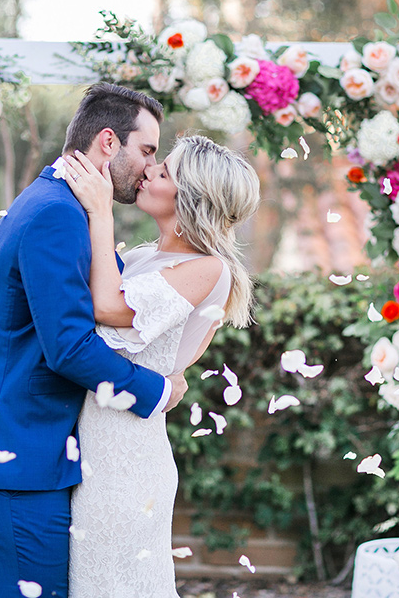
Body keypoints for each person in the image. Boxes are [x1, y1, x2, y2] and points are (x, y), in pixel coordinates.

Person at [0, 83, 189, 598]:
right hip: (15, 466)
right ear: (107, 142)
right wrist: (157, 391)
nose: (150, 167)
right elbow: (69, 348)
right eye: (146, 151)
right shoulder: (58, 213)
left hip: (29, 460)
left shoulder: (59, 204)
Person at [61, 134, 260, 597]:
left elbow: (107, 308)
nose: (148, 171)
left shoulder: (209, 268)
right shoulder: (146, 257)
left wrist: (101, 210)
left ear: (192, 197)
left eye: (164, 171)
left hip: (123, 461)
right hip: (91, 445)